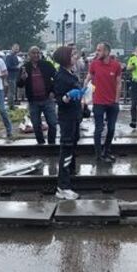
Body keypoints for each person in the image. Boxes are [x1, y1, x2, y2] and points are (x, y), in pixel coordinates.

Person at [52, 46, 84, 200]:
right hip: (67, 118)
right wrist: (67, 96)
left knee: (72, 147)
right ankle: (62, 187)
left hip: (75, 115)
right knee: (66, 149)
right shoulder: (61, 76)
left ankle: (69, 177)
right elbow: (59, 99)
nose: (75, 56)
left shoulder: (70, 73)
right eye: (72, 55)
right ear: (65, 58)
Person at [86, 42, 123, 163]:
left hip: (112, 102)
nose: (97, 52)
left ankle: (107, 151)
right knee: (99, 128)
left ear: (107, 52)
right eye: (97, 50)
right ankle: (98, 155)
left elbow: (118, 83)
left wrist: (117, 100)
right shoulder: (94, 64)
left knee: (111, 129)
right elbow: (88, 78)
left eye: (99, 50)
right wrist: (83, 94)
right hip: (98, 102)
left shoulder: (116, 65)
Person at [18, 46, 58, 145]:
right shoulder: (25, 67)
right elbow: (19, 84)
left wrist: (53, 91)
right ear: (29, 55)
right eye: (33, 53)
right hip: (33, 101)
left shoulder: (47, 65)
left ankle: (51, 144)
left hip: (47, 99)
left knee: (52, 123)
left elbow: (57, 78)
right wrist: (23, 78)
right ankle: (41, 144)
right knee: (36, 125)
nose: (36, 55)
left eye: (38, 53)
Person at [4, 43, 22, 109]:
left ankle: (12, 104)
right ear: (12, 48)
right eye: (15, 48)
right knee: (11, 92)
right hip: (10, 76)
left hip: (14, 76)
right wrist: (17, 67)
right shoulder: (9, 56)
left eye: (18, 48)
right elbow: (8, 66)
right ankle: (11, 106)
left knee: (13, 91)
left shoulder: (15, 56)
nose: (17, 49)